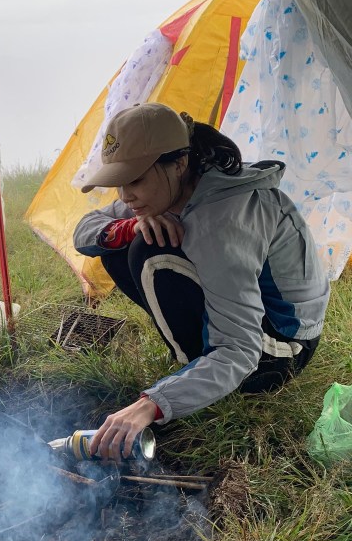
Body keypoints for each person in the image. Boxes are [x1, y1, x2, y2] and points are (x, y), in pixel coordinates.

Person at [73, 103, 330, 459]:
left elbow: (239, 351)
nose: (125, 195)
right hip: (251, 329)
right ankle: (195, 370)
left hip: (281, 351)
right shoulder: (178, 184)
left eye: (135, 180)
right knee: (125, 242)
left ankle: (198, 375)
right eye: (119, 183)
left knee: (148, 251)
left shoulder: (222, 220)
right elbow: (84, 231)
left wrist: (152, 404)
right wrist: (128, 227)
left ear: (178, 162)